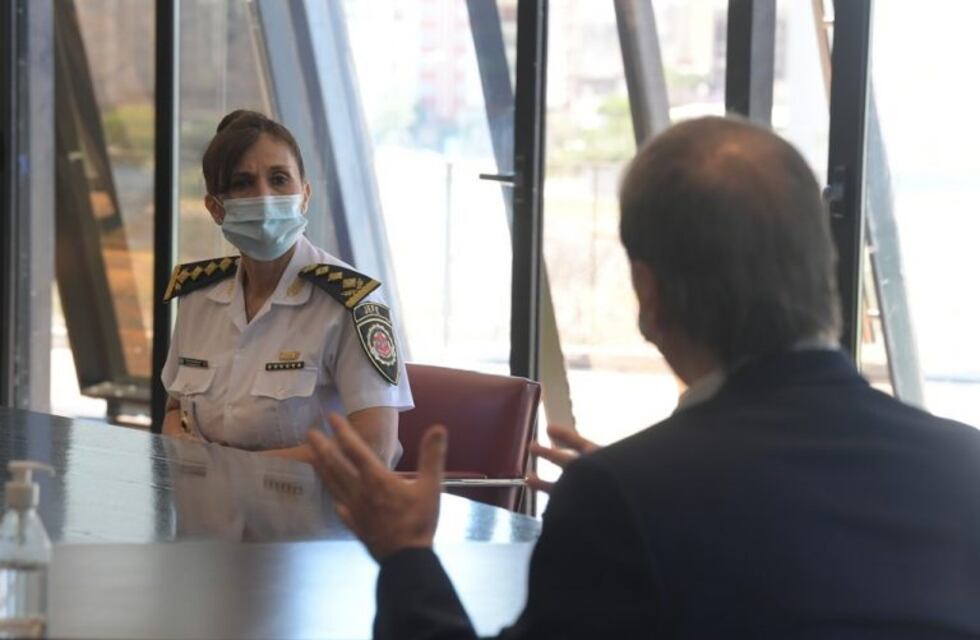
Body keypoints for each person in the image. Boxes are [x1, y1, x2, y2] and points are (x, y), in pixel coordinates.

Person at [308, 116, 980, 638]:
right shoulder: (965, 465)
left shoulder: (624, 500)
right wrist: (646, 491)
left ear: (647, 294)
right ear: (824, 270)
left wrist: (405, 556)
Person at [161, 110, 412, 466]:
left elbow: (376, 448)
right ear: (216, 209)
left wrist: (234, 472)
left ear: (305, 195)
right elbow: (175, 409)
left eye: (279, 179)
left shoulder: (352, 302)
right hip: (209, 512)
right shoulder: (198, 296)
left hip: (314, 514)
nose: (264, 197)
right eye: (242, 183)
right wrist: (181, 446)